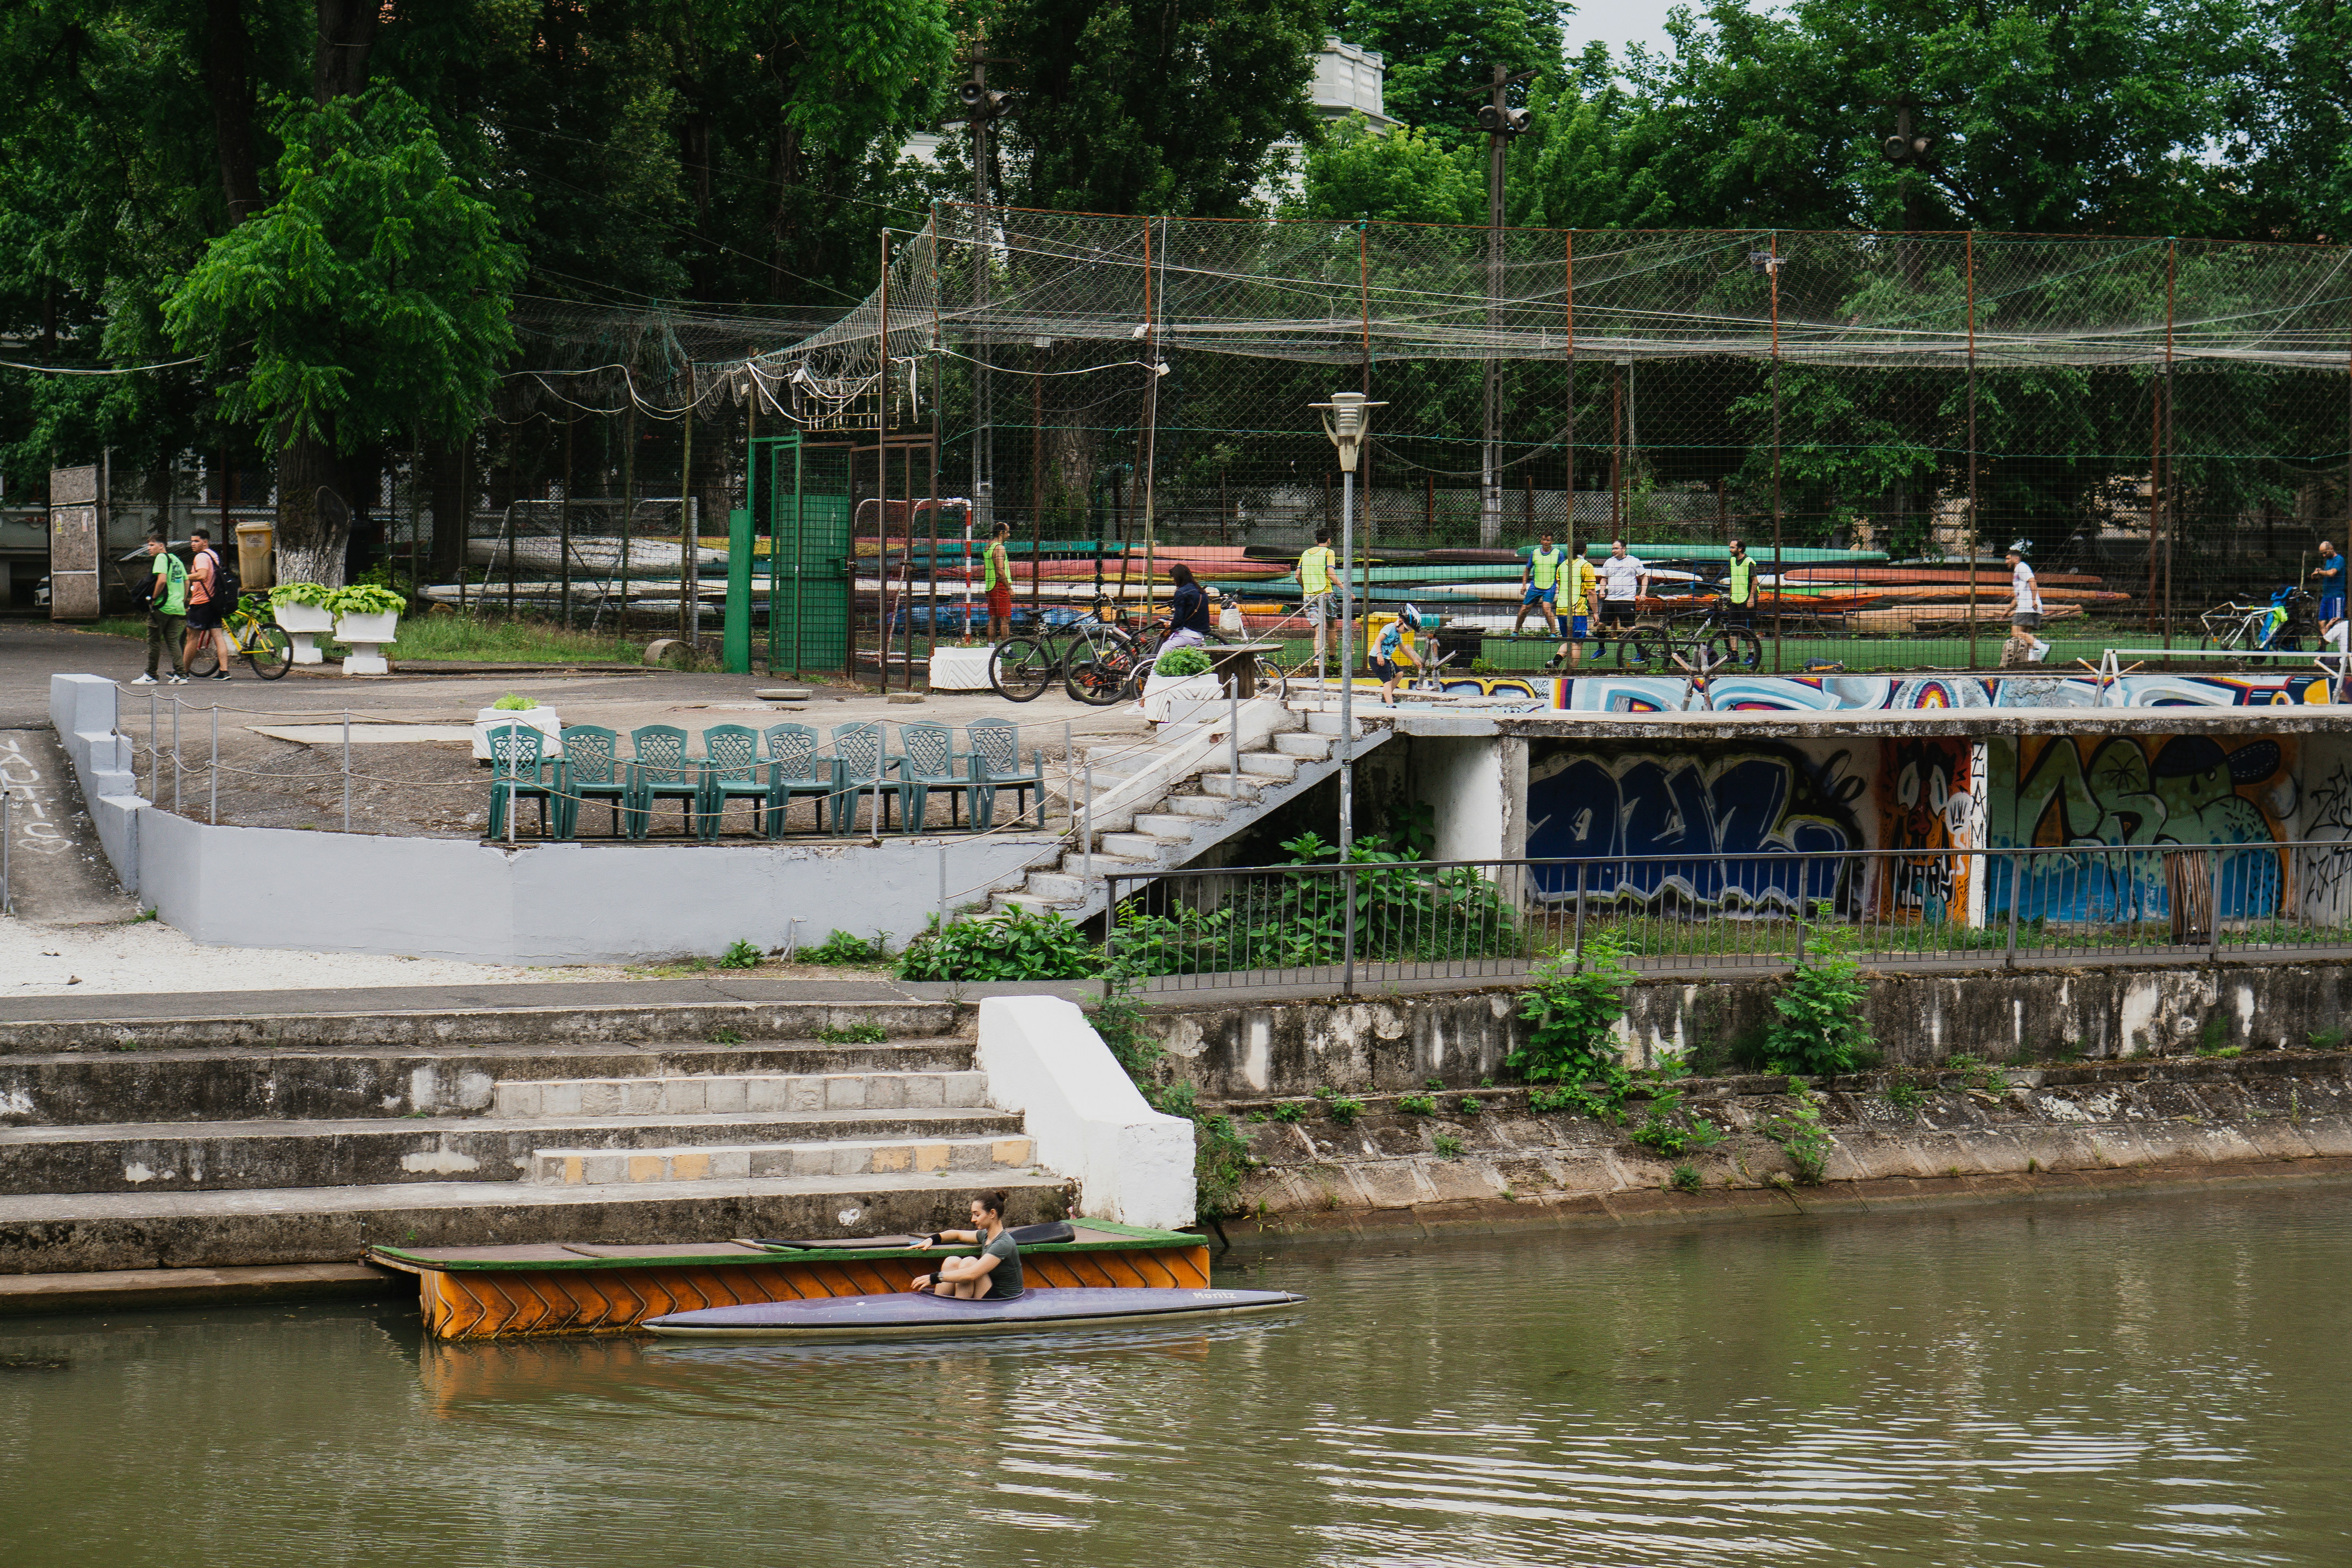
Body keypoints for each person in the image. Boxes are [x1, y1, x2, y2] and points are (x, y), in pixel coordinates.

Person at [907, 1191, 1024, 1300]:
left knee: (969, 1263)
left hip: (1005, 1301)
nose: (973, 1219)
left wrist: (934, 1278)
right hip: (988, 1292)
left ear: (992, 1213)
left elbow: (972, 1274)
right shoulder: (986, 1235)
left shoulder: (1003, 1243)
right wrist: (932, 1239)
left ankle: (959, 1310)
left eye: (977, 1215)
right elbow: (958, 1235)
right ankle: (939, 1306)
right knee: (952, 1261)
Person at [134, 529, 188, 686]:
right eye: (149, 545)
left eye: (152, 545)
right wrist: (182, 600)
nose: (149, 548)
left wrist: (154, 599)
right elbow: (187, 581)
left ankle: (151, 675)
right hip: (176, 607)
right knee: (173, 641)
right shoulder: (176, 560)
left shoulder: (161, 558)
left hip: (162, 607)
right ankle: (181, 675)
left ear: (161, 546)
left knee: (154, 641)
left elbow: (162, 580)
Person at [181, 527, 235, 680]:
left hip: (201, 602)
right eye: (192, 541)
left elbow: (203, 575)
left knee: (192, 637)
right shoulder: (214, 555)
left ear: (205, 542)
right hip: (214, 602)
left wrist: (183, 576)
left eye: (196, 541)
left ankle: (183, 672)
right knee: (218, 636)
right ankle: (224, 671)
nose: (193, 544)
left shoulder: (201, 557)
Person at [1546, 540, 1601, 672]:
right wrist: (1595, 612)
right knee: (1577, 643)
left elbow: (1560, 585)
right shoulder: (1586, 566)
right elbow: (1591, 591)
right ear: (1586, 551)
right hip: (1577, 610)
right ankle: (1570, 674)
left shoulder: (1562, 566)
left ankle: (1555, 662)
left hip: (1561, 609)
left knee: (1569, 640)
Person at [1298, 528, 1338, 675]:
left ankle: (1317, 660)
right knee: (1332, 626)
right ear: (1329, 540)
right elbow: (1331, 574)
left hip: (1309, 596)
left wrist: (1306, 588)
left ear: (1316, 541)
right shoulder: (1329, 552)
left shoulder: (1305, 554)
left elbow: (1297, 576)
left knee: (1318, 630)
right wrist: (1346, 589)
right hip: (1326, 593)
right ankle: (1333, 657)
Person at [1512, 531, 1564, 639]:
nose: (1546, 542)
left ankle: (1553, 634)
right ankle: (1515, 632)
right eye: (1544, 540)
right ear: (1541, 541)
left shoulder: (1558, 554)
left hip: (1550, 587)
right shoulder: (1535, 553)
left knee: (1546, 609)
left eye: (1548, 540)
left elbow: (1563, 570)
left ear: (1552, 542)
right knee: (1524, 610)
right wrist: (1524, 584)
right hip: (1535, 587)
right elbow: (1527, 569)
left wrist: (1561, 584)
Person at [1595, 538, 1649, 637]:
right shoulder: (1609, 562)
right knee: (1601, 625)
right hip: (1611, 599)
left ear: (1624, 549)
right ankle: (1601, 646)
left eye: (1616, 548)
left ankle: (1639, 647)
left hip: (1627, 600)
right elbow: (1604, 578)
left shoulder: (1634, 561)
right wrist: (1602, 590)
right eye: (1613, 549)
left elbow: (1644, 577)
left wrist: (1643, 593)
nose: (1614, 551)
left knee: (1631, 627)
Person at [1371, 603, 1422, 706]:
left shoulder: (1398, 634)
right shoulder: (1389, 628)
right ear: (1400, 621)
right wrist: (1380, 654)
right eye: (1406, 629)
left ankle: (1387, 696)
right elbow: (1378, 640)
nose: (1406, 632)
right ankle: (1390, 704)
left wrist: (1414, 660)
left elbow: (1402, 648)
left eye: (1408, 631)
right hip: (1376, 658)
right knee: (1387, 681)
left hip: (1386, 659)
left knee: (1399, 674)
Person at [2006, 540, 2049, 663]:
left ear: (2016, 558)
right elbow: (2017, 597)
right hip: (2031, 607)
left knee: (2016, 632)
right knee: (2026, 635)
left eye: (2008, 559)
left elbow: (2033, 581)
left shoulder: (2022, 567)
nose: (2006, 562)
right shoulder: (2018, 572)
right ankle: (2033, 660)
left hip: (2027, 607)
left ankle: (2042, 647)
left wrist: (2034, 599)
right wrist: (2007, 610)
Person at [1163, 562, 1210, 650]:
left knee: (1163, 653)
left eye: (1174, 578)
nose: (1174, 581)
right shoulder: (1201, 591)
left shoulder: (1181, 592)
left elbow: (1179, 618)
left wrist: (1172, 625)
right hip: (1199, 635)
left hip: (1185, 635)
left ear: (1179, 578)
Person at [982, 523, 1013, 644]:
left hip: (990, 586)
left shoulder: (988, 547)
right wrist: (1009, 588)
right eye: (1008, 532)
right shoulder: (1000, 548)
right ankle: (1007, 649)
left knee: (993, 618)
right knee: (1005, 619)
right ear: (1001, 533)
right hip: (1000, 586)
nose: (1009, 535)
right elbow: (1000, 571)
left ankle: (991, 648)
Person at [2313, 539, 2344, 640]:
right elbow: (2326, 573)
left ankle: (2342, 646)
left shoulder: (2339, 559)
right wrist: (2319, 573)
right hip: (2326, 595)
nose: (2324, 556)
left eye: (2325, 553)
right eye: (2322, 554)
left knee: (2337, 623)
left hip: (2336, 596)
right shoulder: (2328, 561)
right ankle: (2323, 645)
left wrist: (2320, 572)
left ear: (2331, 549)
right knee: (2321, 621)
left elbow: (2331, 573)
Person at [1723, 538, 1757, 626]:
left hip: (1746, 599)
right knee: (1733, 628)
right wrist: (1730, 595)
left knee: (1747, 630)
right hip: (1735, 599)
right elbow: (1733, 578)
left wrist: (1751, 599)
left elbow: (1755, 581)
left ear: (1740, 549)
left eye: (1732, 547)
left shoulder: (1748, 561)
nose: (1730, 550)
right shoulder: (1732, 560)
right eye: (1730, 547)